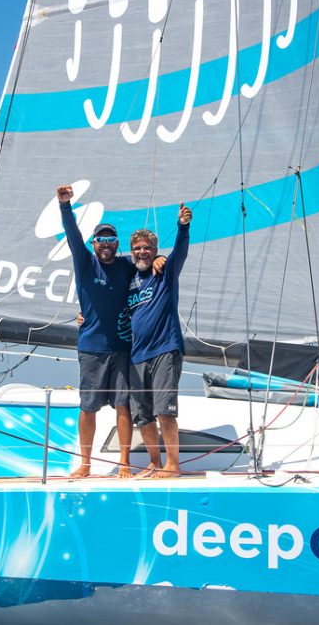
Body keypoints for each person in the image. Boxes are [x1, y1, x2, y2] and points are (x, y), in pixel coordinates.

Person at [57, 184, 135, 478]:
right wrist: (65, 205)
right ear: (94, 243)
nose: (105, 243)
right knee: (88, 407)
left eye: (111, 239)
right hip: (91, 348)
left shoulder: (126, 266)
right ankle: (86, 463)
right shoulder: (85, 262)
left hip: (121, 347)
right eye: (101, 239)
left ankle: (125, 463)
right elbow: (72, 235)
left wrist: (159, 259)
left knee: (123, 406)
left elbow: (148, 263)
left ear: (117, 243)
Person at [127, 203, 192, 478]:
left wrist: (183, 227)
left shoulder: (164, 273)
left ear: (155, 251)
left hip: (165, 349)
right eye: (138, 248)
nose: (143, 252)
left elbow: (180, 253)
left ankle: (172, 465)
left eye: (148, 248)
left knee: (164, 410)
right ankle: (154, 461)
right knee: (142, 415)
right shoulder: (129, 280)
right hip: (136, 356)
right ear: (132, 252)